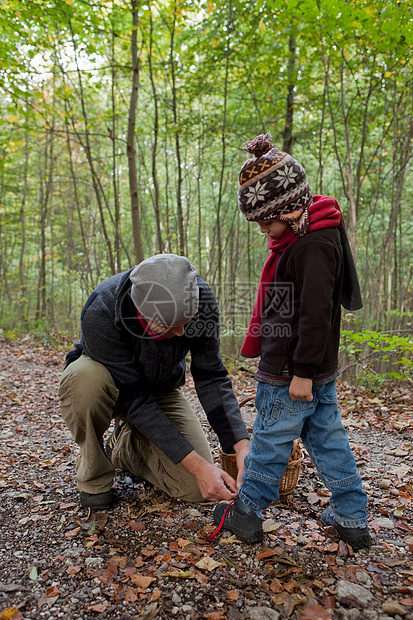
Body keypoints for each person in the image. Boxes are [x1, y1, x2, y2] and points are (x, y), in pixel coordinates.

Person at [212, 134, 372, 550]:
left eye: (266, 219)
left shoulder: (313, 245)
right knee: (328, 438)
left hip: (293, 373)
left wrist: (300, 373)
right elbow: (291, 304)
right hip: (309, 369)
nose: (263, 229)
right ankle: (352, 516)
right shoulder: (309, 233)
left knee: (270, 438)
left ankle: (246, 511)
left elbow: (316, 314)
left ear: (288, 206)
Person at [58, 253, 250, 510]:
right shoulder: (102, 309)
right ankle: (95, 476)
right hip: (113, 389)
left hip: (160, 388)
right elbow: (136, 401)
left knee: (195, 487)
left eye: (186, 323)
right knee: (85, 381)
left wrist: (240, 445)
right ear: (140, 311)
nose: (181, 333)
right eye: (169, 325)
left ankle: (123, 446)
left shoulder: (200, 299)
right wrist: (198, 465)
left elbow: (211, 376)